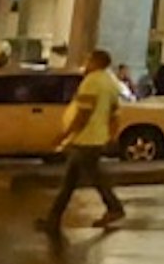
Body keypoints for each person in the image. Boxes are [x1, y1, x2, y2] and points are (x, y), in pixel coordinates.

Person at [45, 47, 131, 236]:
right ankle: (52, 219)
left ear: (96, 62)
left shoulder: (91, 82)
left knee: (93, 178)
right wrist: (111, 135)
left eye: (89, 60)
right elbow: (115, 114)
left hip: (85, 139)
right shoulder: (110, 82)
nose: (86, 64)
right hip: (96, 138)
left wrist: (65, 135)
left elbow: (83, 113)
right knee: (71, 181)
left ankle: (115, 208)